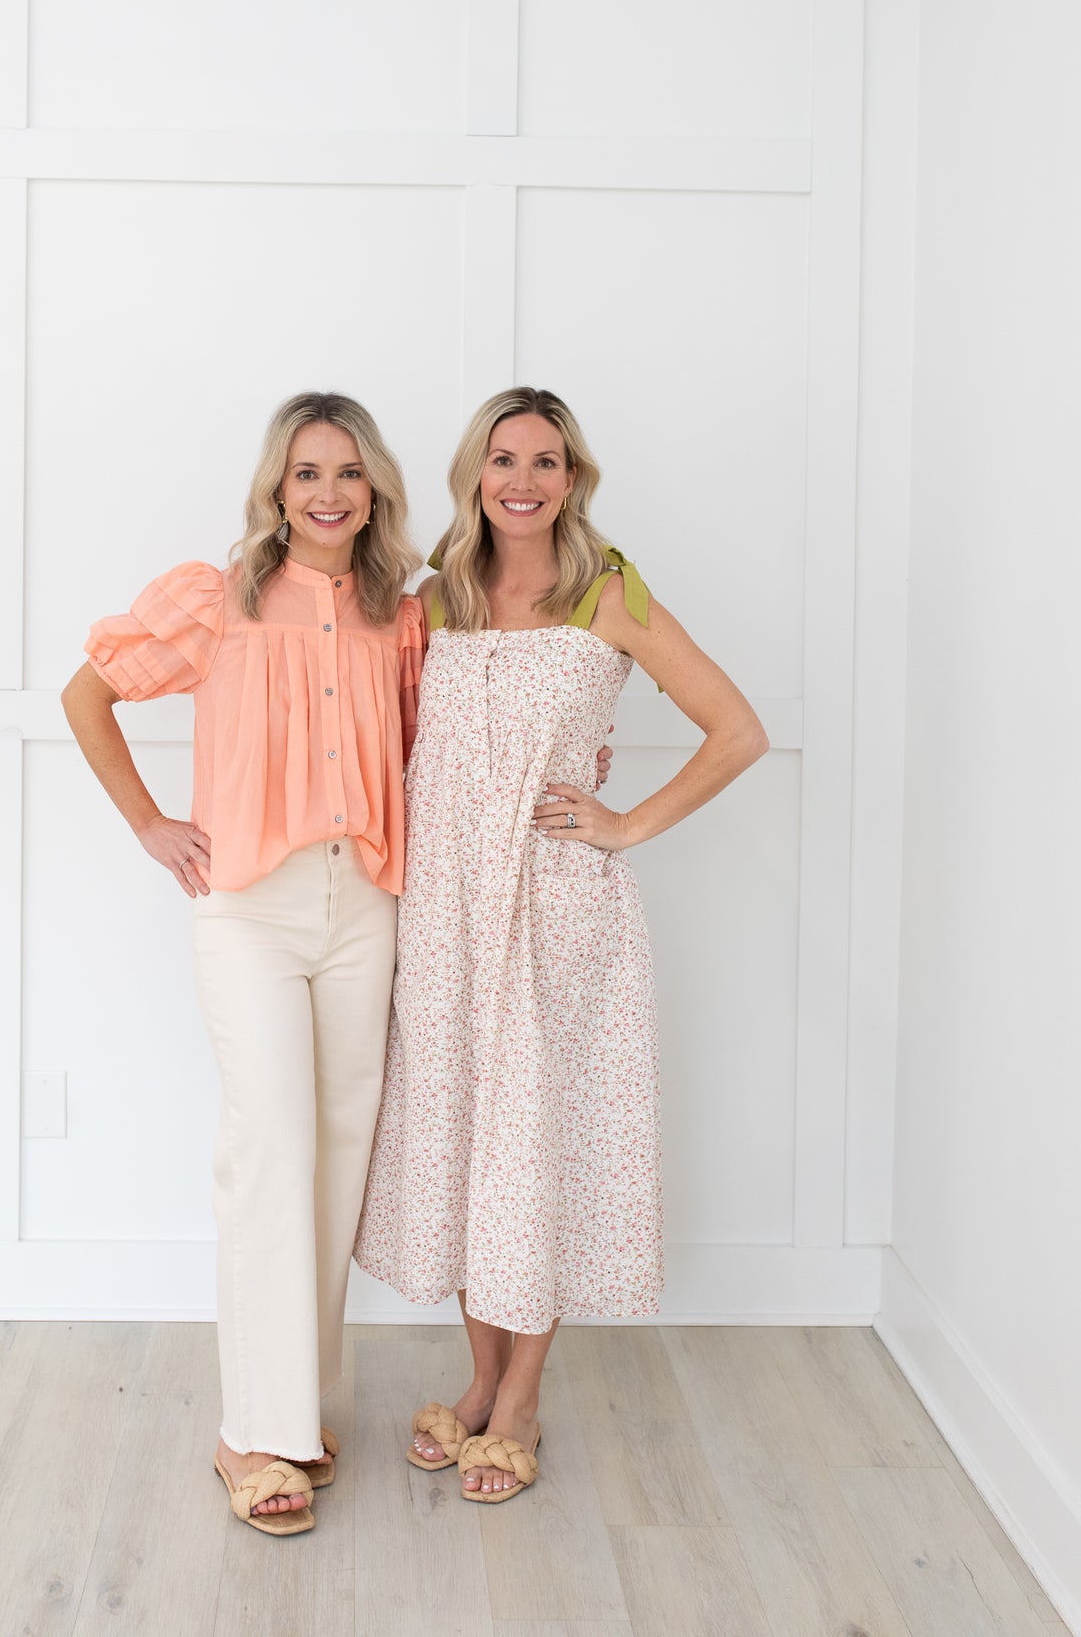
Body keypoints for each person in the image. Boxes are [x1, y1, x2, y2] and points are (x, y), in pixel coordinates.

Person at [353, 386, 769, 1503]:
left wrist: (623, 822)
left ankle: (523, 1394)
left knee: (534, 1149)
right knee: (453, 1141)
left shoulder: (609, 590)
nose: (523, 480)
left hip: (555, 912)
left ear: (573, 477)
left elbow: (736, 729)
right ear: (472, 475)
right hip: (441, 912)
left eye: (546, 460)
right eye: (503, 458)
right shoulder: (433, 600)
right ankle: (478, 1382)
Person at [61, 391, 425, 1536]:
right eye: (307, 472)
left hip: (362, 902)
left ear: (375, 491)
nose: (327, 493)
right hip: (248, 908)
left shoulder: (396, 617)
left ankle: (296, 1411)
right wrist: (147, 822)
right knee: (266, 1145)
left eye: (348, 474)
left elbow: (436, 744)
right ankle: (250, 1433)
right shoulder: (215, 602)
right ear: (276, 488)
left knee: (335, 1151)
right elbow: (89, 693)